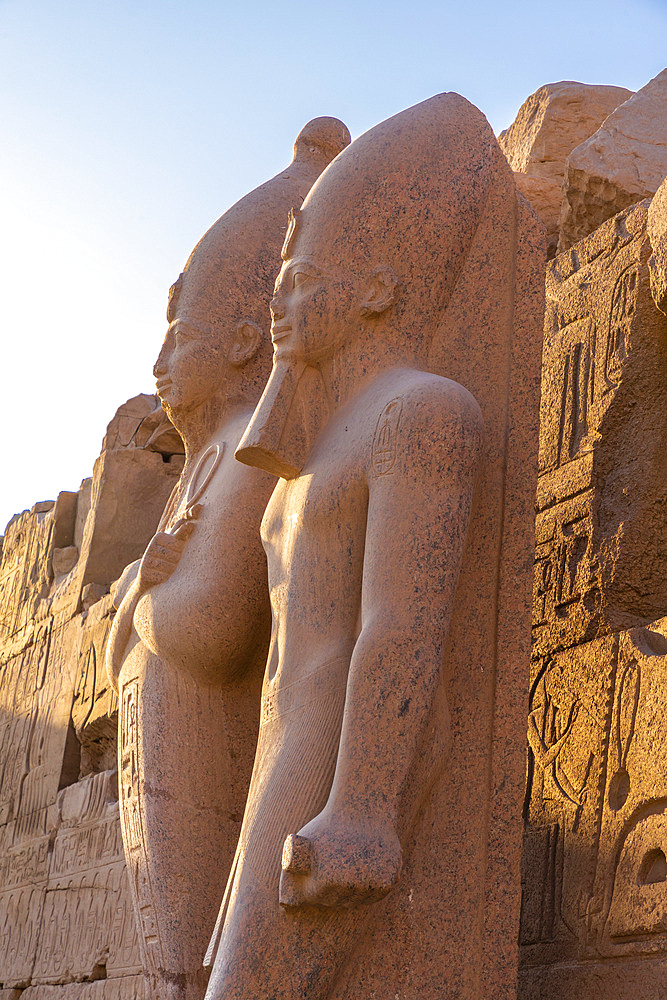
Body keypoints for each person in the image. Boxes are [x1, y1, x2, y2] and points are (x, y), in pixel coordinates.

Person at [204, 92, 539, 1000]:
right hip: (287, 765)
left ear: (380, 290)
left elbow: (401, 622)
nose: (280, 302)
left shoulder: (420, 411)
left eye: (304, 279)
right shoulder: (313, 457)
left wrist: (364, 806)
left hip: (346, 760)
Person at [105, 116, 350, 1000]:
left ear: (247, 343)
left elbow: (210, 630)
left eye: (183, 339)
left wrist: (139, 595)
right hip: (163, 766)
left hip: (218, 764)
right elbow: (123, 651)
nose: (161, 362)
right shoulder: (200, 464)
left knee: (210, 960)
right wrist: (141, 591)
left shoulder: (250, 447)